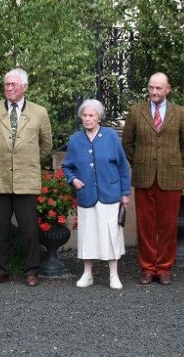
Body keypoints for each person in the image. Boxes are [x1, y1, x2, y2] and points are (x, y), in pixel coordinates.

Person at [0, 68, 52, 287]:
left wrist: (25, 160)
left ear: (25, 87)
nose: (9, 88)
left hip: (26, 179)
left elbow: (46, 145)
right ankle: (0, 270)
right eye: (7, 84)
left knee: (29, 230)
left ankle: (31, 271)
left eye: (14, 85)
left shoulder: (39, 112)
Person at [122, 72, 184, 286]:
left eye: (159, 88)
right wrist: (141, 162)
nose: (154, 92)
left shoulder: (180, 113)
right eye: (151, 87)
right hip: (144, 175)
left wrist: (171, 163)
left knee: (168, 225)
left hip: (170, 176)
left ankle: (163, 268)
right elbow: (127, 144)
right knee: (145, 225)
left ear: (168, 89)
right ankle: (147, 268)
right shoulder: (136, 112)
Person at [62, 99, 131, 290]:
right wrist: (73, 179)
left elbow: (122, 166)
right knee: (88, 235)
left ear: (99, 117)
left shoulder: (110, 136)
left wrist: (125, 193)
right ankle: (87, 274)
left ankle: (114, 275)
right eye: (84, 115)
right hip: (86, 194)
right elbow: (67, 166)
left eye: (91, 115)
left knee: (111, 234)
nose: (87, 119)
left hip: (110, 192)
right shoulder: (75, 140)